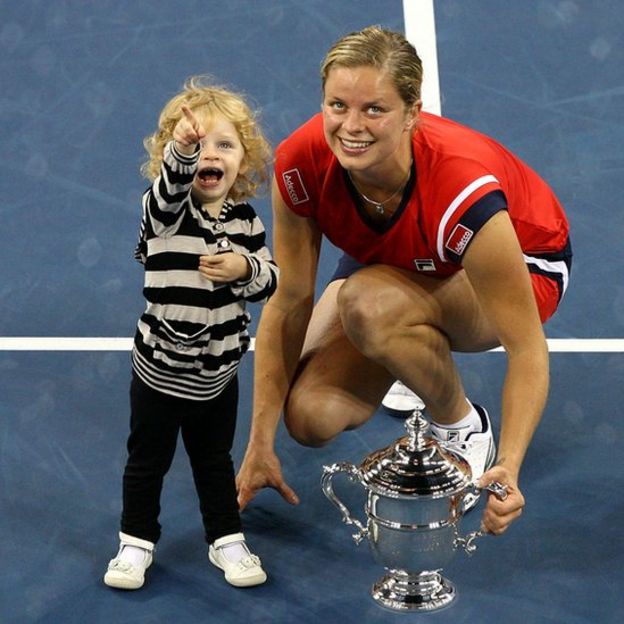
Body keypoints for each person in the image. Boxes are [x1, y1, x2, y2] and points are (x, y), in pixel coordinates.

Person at [235, 26, 571, 536]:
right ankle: (405, 349)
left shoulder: (462, 188)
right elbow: (289, 301)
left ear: (413, 112)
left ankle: (461, 423)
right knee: (309, 417)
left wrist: (511, 464)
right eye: (337, 105)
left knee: (368, 305)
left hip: (521, 263)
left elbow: (527, 348)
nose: (351, 126)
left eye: (375, 109)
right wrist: (260, 442)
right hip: (396, 258)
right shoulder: (301, 163)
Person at [104, 76, 278, 590]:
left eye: (225, 145)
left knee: (214, 462)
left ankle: (227, 539)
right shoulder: (161, 214)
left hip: (218, 377)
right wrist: (183, 152)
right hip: (158, 373)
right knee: (146, 463)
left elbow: (272, 278)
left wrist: (244, 269)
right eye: (197, 146)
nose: (211, 155)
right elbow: (168, 190)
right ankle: (135, 543)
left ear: (243, 162)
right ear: (172, 158)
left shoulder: (246, 222)